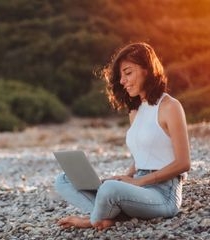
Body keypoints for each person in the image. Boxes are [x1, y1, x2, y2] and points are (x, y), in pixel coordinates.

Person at [54, 42, 191, 230]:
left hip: (164, 193)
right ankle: (108, 215)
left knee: (109, 191)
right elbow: (144, 155)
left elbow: (183, 163)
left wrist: (138, 181)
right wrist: (124, 177)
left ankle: (93, 220)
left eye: (128, 73)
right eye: (121, 76)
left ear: (147, 70)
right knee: (64, 179)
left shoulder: (170, 107)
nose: (122, 81)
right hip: (137, 187)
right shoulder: (135, 111)